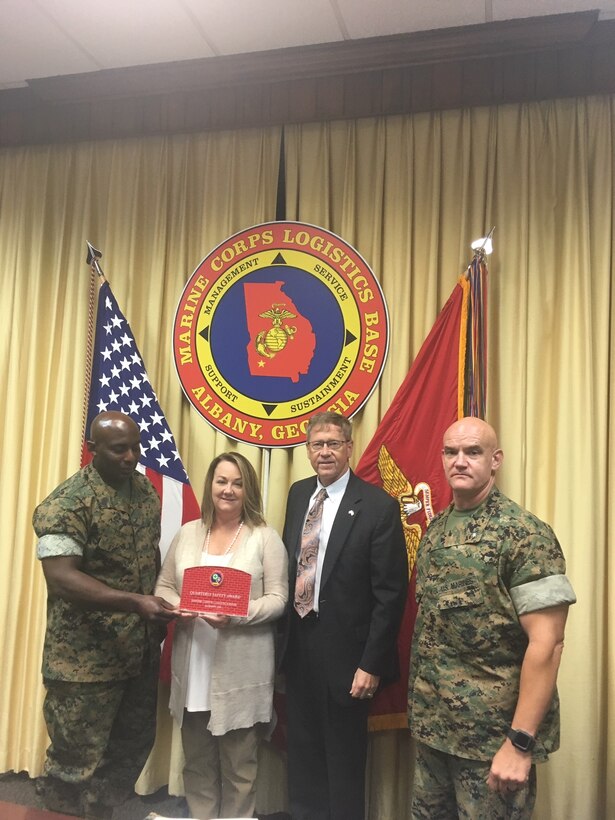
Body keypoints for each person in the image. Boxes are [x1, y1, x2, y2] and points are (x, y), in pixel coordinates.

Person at [408, 416, 577, 819]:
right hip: (435, 733)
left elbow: (548, 643)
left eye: (473, 452)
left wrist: (519, 743)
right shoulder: (435, 531)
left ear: (495, 460)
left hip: (491, 744)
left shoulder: (523, 534)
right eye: (451, 452)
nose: (460, 461)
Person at [32, 411, 178, 819]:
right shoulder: (65, 505)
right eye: (119, 449)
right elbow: (61, 578)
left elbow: (148, 554)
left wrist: (159, 599)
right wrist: (137, 603)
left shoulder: (144, 491)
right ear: (93, 450)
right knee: (74, 768)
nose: (131, 456)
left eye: (136, 446)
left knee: (124, 759)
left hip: (136, 655)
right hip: (84, 664)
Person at [280, 411, 408, 820]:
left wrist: (371, 664)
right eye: (317, 444)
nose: (325, 452)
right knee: (301, 755)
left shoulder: (377, 506)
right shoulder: (299, 495)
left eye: (333, 444)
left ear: (349, 448)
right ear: (306, 450)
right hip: (299, 648)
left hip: (349, 659)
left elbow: (390, 594)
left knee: (343, 763)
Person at [155, 451, 288, 820]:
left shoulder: (264, 538)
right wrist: (177, 606)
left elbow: (279, 600)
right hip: (193, 667)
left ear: (248, 490)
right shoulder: (187, 533)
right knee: (196, 764)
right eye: (221, 481)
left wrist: (238, 614)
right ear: (210, 486)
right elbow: (163, 586)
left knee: (239, 769)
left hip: (241, 674)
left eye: (237, 483)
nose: (228, 490)